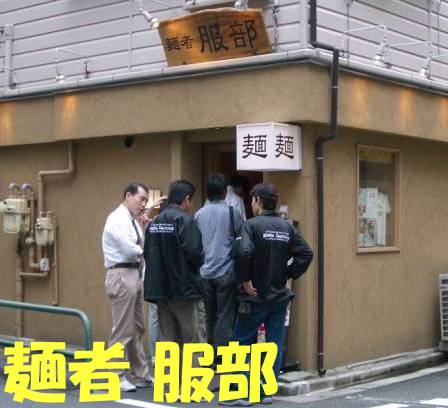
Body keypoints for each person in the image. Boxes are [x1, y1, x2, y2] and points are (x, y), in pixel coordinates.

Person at [222, 183, 313, 406]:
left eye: (252, 200)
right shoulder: (286, 228)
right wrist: (288, 274)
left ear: (257, 201)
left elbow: (243, 252)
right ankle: (264, 391)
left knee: (240, 342)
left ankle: (239, 392)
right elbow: (306, 253)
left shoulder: (250, 226)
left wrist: (245, 280)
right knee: (273, 343)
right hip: (279, 296)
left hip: (255, 296)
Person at [143, 179, 206, 352]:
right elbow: (195, 253)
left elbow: (147, 253)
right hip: (183, 290)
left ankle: (168, 371)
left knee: (167, 342)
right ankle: (191, 371)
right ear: (186, 199)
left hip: (160, 291)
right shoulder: (185, 220)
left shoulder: (154, 223)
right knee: (192, 340)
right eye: (191, 200)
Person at [102, 183, 152, 392]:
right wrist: (147, 250)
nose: (143, 204)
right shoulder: (117, 218)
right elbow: (129, 248)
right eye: (141, 199)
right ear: (128, 196)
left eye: (145, 200)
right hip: (121, 273)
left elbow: (138, 245)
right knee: (123, 328)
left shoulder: (131, 220)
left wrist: (144, 229)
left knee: (137, 326)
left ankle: (140, 373)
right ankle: (115, 374)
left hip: (132, 272)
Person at [195, 174, 244, 356]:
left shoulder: (198, 215)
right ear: (224, 192)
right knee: (225, 316)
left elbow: (195, 245)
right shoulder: (233, 213)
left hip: (204, 272)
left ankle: (208, 354)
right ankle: (222, 357)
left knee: (208, 316)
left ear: (207, 192)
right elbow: (242, 242)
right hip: (226, 271)